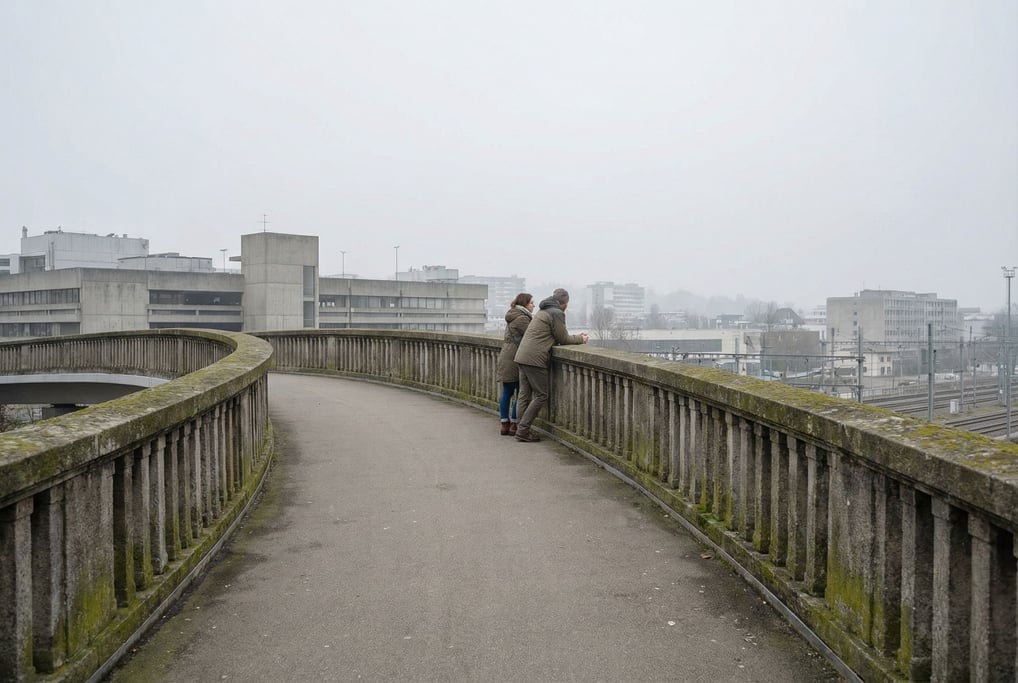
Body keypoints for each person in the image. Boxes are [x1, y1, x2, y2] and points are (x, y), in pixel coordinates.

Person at [513, 288, 588, 442]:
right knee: (541, 395)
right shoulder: (557, 313)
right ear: (565, 303)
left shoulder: (543, 311)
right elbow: (563, 338)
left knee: (524, 395)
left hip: (522, 356)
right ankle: (523, 430)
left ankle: (520, 428)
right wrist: (581, 338)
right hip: (535, 359)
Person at [495, 292, 534, 435]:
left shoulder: (512, 315)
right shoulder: (522, 319)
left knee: (507, 391)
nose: (533, 305)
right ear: (524, 304)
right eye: (531, 303)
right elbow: (533, 336)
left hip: (506, 356)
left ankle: (504, 424)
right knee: (521, 393)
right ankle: (514, 424)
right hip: (516, 358)